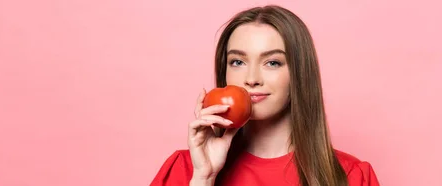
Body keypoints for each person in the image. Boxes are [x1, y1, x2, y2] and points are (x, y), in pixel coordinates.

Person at [150, 4, 380, 186]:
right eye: (238, 61)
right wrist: (204, 178)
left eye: (272, 62)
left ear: (299, 74)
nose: (251, 78)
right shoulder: (186, 170)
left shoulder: (350, 176)